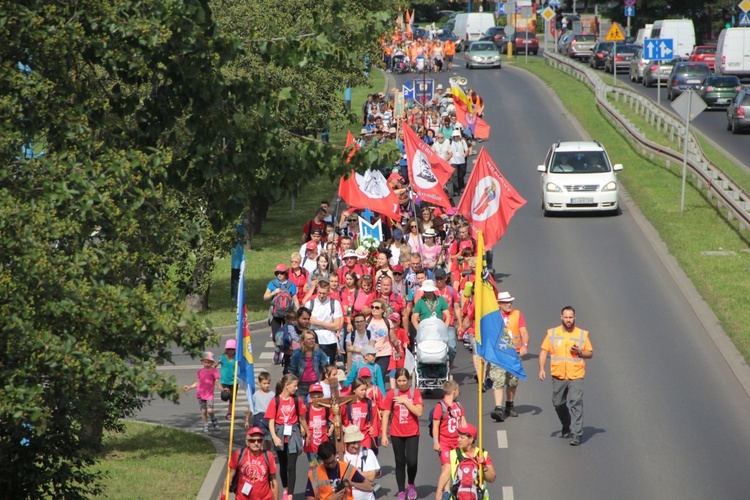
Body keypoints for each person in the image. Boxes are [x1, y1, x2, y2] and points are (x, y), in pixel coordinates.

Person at [538, 306, 593, 446]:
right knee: (557, 403)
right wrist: (541, 369)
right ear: (561, 317)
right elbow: (544, 352)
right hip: (559, 375)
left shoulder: (582, 334)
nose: (568, 320)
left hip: (576, 375)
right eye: (566, 317)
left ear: (575, 318)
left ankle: (576, 434)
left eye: (571, 317)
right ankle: (566, 423)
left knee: (576, 402)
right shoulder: (552, 333)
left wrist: (580, 352)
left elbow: (590, 353)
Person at [381, 368, 423, 500]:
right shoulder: (391, 394)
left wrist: (405, 401)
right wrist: (384, 435)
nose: (402, 383)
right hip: (396, 433)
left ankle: (411, 484)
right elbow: (386, 414)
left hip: (412, 432)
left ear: (408, 380)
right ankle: (400, 490)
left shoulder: (414, 392)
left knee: (412, 462)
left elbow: (419, 412)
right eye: (399, 381)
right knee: (399, 462)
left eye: (404, 380)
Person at [266, 374, 309, 499]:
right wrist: (274, 436)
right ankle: (285, 488)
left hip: (293, 434)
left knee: (291, 466)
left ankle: (290, 494)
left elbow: (302, 418)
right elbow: (271, 421)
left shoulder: (297, 400)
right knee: (283, 465)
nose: (296, 388)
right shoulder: (275, 401)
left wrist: (307, 432)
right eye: (294, 386)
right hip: (280, 433)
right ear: (286, 386)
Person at [434, 423, 496, 500]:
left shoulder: (482, 454)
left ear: (471, 439)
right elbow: (445, 474)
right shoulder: (453, 454)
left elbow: (492, 478)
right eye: (458, 437)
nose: (458, 440)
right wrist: (439, 490)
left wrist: (483, 466)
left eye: (461, 437)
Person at [493, 291, 530, 419]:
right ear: (499, 304)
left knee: (512, 381)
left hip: (514, 353)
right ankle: (498, 408)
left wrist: (524, 346)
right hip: (499, 353)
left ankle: (509, 404)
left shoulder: (517, 314)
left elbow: (524, 332)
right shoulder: (493, 315)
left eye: (510, 302)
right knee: (498, 379)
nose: (509, 304)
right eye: (506, 302)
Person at [305, 441, 374, 499]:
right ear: (321, 460)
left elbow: (369, 487)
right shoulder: (314, 474)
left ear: (335, 455)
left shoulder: (347, 468)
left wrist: (352, 483)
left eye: (332, 462)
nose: (330, 465)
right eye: (327, 463)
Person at [227, 427, 279, 500]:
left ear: (263, 442)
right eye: (252, 440)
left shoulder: (269, 456)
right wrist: (223, 495)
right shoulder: (239, 455)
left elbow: (274, 481)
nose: (256, 443)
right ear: (247, 442)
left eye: (259, 440)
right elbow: (229, 477)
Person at [306, 278, 344, 365]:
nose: (321, 296)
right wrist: (328, 324)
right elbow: (306, 322)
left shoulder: (334, 303)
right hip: (313, 338)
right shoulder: (310, 303)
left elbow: (337, 325)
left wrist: (317, 322)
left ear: (328, 292)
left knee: (327, 366)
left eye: (324, 293)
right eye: (319, 293)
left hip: (329, 340)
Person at [432, 380, 468, 466]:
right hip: (445, 443)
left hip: (458, 442)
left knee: (459, 468)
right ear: (454, 391)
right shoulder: (440, 406)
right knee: (447, 468)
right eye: (458, 390)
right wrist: (436, 442)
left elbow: (463, 423)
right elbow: (435, 426)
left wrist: (467, 437)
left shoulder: (458, 405)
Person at [183, 351, 219, 433]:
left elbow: (217, 381)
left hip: (209, 394)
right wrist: (190, 387)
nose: (207, 364)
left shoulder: (214, 371)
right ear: (202, 362)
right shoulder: (200, 372)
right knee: (203, 411)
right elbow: (198, 382)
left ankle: (213, 419)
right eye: (205, 362)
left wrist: (222, 389)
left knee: (210, 410)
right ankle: (205, 424)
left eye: (209, 362)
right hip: (200, 394)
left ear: (212, 363)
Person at [342, 425, 381, 500]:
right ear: (346, 443)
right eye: (353, 443)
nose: (356, 446)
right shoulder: (340, 456)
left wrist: (349, 474)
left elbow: (371, 476)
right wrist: (361, 474)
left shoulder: (368, 452)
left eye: (358, 442)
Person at [289, 330, 329, 400]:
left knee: (315, 406)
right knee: (302, 407)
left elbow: (326, 366)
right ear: (303, 341)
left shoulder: (319, 352)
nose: (311, 341)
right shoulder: (297, 353)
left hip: (315, 383)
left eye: (313, 338)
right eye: (308, 339)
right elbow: (292, 370)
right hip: (301, 385)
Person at [264, 264, 300, 334]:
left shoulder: (291, 284)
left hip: (288, 314)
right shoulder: (272, 283)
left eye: (282, 273)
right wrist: (274, 292)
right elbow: (265, 297)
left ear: (286, 273)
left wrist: (297, 313)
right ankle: (277, 345)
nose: (279, 275)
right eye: (277, 273)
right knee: (275, 336)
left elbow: (295, 300)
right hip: (275, 314)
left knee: (288, 335)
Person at [304, 383, 332, 468]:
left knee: (324, 466)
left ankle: (323, 481)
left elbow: (334, 419)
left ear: (322, 396)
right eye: (314, 397)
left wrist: (331, 430)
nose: (316, 400)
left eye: (319, 397)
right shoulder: (307, 408)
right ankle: (313, 481)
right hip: (311, 445)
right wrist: (303, 432)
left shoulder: (326, 408)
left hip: (324, 442)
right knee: (313, 466)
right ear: (310, 397)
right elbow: (302, 421)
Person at [248, 371, 275, 451]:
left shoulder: (272, 394)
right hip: (259, 417)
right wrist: (247, 420)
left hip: (269, 417)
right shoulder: (256, 395)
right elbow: (251, 407)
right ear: (259, 383)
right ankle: (260, 451)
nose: (266, 385)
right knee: (260, 436)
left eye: (268, 383)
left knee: (269, 437)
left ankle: (268, 451)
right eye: (264, 383)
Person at [217, 339, 238, 420]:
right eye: (229, 349)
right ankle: (227, 396)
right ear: (226, 349)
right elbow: (215, 365)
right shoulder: (222, 358)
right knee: (225, 396)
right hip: (225, 381)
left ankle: (230, 412)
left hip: (234, 381)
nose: (230, 351)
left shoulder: (237, 358)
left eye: (232, 349)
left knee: (232, 399)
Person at [447, 129, 469, 196]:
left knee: (461, 175)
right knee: (455, 175)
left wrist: (465, 154)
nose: (456, 137)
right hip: (453, 161)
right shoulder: (450, 142)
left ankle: (461, 188)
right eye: (454, 136)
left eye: (457, 136)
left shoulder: (462, 141)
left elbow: (466, 150)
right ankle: (456, 190)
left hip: (461, 161)